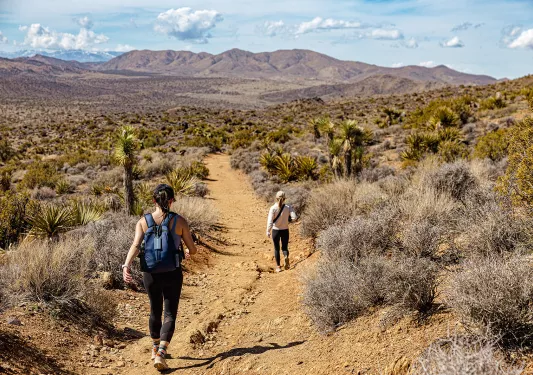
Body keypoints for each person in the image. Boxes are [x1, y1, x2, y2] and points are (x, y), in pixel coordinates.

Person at [122, 184, 197, 371]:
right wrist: (188, 250)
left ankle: (155, 347)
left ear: (154, 200)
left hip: (150, 273)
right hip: (172, 272)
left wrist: (126, 265)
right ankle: (161, 353)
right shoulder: (179, 221)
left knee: (155, 310)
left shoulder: (142, 221)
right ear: (171, 201)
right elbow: (192, 249)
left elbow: (136, 245)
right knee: (170, 312)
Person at [266, 191, 298, 273]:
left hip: (276, 231)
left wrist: (268, 231)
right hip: (285, 230)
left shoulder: (273, 208)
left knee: (276, 249)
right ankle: (286, 256)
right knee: (284, 247)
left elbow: (270, 221)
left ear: (276, 198)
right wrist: (289, 220)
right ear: (284, 198)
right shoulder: (288, 207)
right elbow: (294, 217)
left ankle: (278, 267)